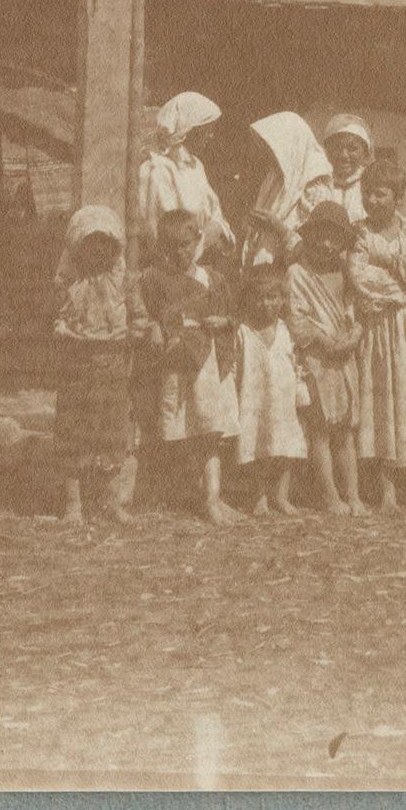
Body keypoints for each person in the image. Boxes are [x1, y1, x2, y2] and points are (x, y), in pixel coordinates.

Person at [131, 211, 242, 524]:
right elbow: (147, 314)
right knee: (188, 430)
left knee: (211, 431)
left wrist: (224, 321)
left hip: (208, 363)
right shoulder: (154, 278)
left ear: (197, 241)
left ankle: (213, 498)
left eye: (185, 244)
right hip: (178, 364)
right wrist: (155, 326)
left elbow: (232, 315)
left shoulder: (212, 279)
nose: (179, 253)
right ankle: (197, 495)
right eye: (171, 247)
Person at [347, 160, 406, 511]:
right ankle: (386, 488)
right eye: (366, 194)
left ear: (398, 198)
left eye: (380, 194)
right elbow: (360, 280)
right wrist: (404, 285)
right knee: (381, 403)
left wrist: (387, 261)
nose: (371, 201)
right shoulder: (359, 234)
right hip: (376, 331)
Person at [51, 205, 135, 524]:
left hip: (113, 365)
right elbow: (56, 318)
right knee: (74, 431)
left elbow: (137, 317)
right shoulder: (68, 284)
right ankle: (73, 503)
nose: (98, 252)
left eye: (105, 245)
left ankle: (109, 501)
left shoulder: (122, 281)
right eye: (91, 245)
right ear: (78, 248)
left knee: (111, 432)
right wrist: (63, 330)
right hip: (78, 365)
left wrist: (135, 331)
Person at [287, 201, 366, 516]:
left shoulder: (345, 271)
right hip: (316, 361)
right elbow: (296, 319)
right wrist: (324, 342)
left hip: (343, 359)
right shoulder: (297, 273)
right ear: (310, 236)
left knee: (345, 430)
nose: (327, 244)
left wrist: (354, 335)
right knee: (320, 430)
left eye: (335, 238)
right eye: (321, 236)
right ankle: (329, 495)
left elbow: (356, 310)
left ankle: (353, 495)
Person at [234, 263, 309, 515]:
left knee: (286, 449)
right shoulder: (244, 331)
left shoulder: (287, 331)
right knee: (257, 448)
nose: (265, 304)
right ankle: (259, 496)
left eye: (272, 297)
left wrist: (301, 396)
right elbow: (235, 367)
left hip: (283, 402)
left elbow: (297, 365)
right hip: (254, 401)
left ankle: (281, 496)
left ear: (282, 299)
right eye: (259, 298)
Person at [137, 91, 234, 263]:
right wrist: (207, 236)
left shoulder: (196, 166)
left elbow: (216, 214)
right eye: (206, 130)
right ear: (188, 130)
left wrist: (216, 227)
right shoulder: (157, 170)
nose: (211, 136)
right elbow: (166, 235)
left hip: (202, 262)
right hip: (174, 267)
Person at [241, 111, 333, 269]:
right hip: (263, 272)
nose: (268, 153)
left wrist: (277, 227)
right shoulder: (276, 177)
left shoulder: (316, 189)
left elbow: (316, 247)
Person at [320, 113, 374, 223]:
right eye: (337, 148)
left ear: (365, 152)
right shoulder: (319, 184)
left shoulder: (372, 185)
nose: (344, 155)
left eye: (352, 149)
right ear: (328, 151)